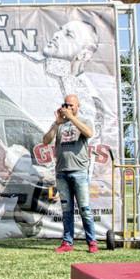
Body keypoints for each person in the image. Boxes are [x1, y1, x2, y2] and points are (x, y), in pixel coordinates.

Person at [42, 94, 99, 253]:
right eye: (65, 105)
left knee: (85, 209)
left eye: (71, 105)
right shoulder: (60, 125)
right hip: (62, 172)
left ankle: (92, 242)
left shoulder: (84, 122)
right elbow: (46, 140)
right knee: (66, 210)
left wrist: (72, 118)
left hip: (79, 171)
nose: (67, 108)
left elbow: (88, 133)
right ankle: (67, 242)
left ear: (78, 106)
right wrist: (57, 123)